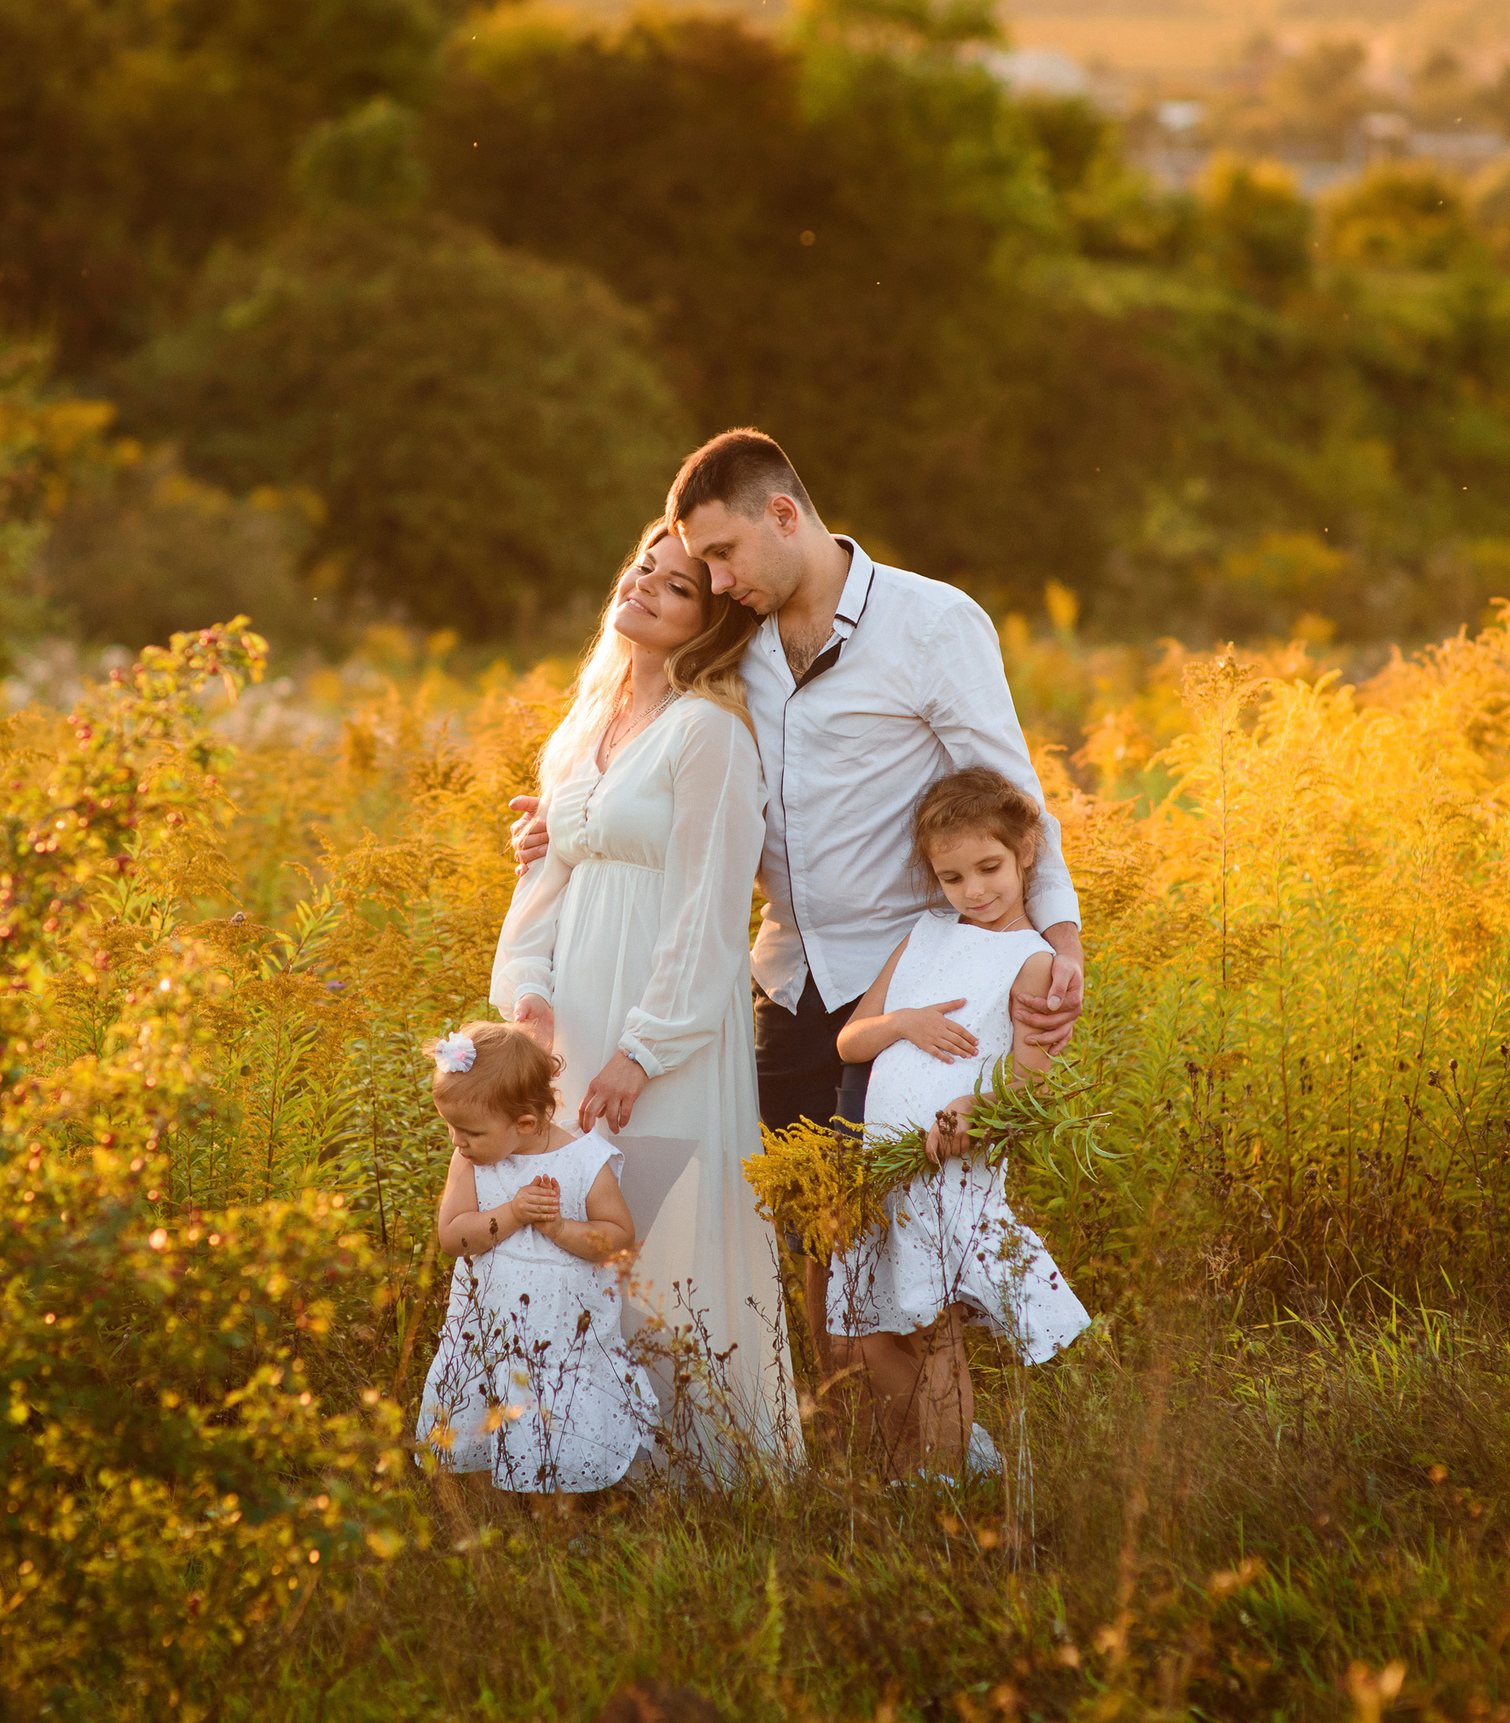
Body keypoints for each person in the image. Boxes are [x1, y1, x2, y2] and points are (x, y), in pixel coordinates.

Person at [513, 430, 1085, 1397]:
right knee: (810, 1233)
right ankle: (863, 1463)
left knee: (912, 1249)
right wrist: (563, 824)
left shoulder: (934, 622)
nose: (717, 577)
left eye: (725, 554)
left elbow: (1014, 796)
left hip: (904, 981)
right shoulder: (738, 643)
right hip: (782, 980)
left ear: (785, 515)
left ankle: (942, 1476)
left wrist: (1057, 947)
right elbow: (660, 769)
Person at [489, 518, 801, 1478]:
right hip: (573, 1018)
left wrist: (643, 1049)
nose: (647, 588)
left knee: (658, 1237)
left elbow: (709, 909)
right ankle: (582, 1454)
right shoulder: (583, 727)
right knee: (572, 1235)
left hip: (661, 1029)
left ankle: (695, 1465)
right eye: (642, 570)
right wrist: (527, 1000)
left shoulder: (709, 733)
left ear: (705, 627)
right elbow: (545, 880)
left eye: (675, 588)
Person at [827, 769, 1092, 1474]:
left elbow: (1027, 1087)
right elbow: (850, 1041)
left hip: (943, 1172)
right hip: (880, 1166)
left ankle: (942, 1480)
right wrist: (903, 1022)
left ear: (1026, 851)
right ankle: (955, 1455)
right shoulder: (923, 933)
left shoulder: (1030, 960)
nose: (974, 890)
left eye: (989, 868)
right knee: (873, 1329)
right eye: (952, 877)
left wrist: (973, 1110)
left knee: (934, 1329)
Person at [416, 1022, 657, 1500]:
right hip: (486, 1332)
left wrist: (560, 1229)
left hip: (561, 1333)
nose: (457, 1141)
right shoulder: (470, 1162)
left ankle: (561, 1521)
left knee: (559, 1431)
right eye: (451, 1126)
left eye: (470, 1131)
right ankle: (493, 1516)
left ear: (525, 1123)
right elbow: (452, 1237)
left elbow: (619, 1238)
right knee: (480, 1421)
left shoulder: (585, 1161)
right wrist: (512, 1213)